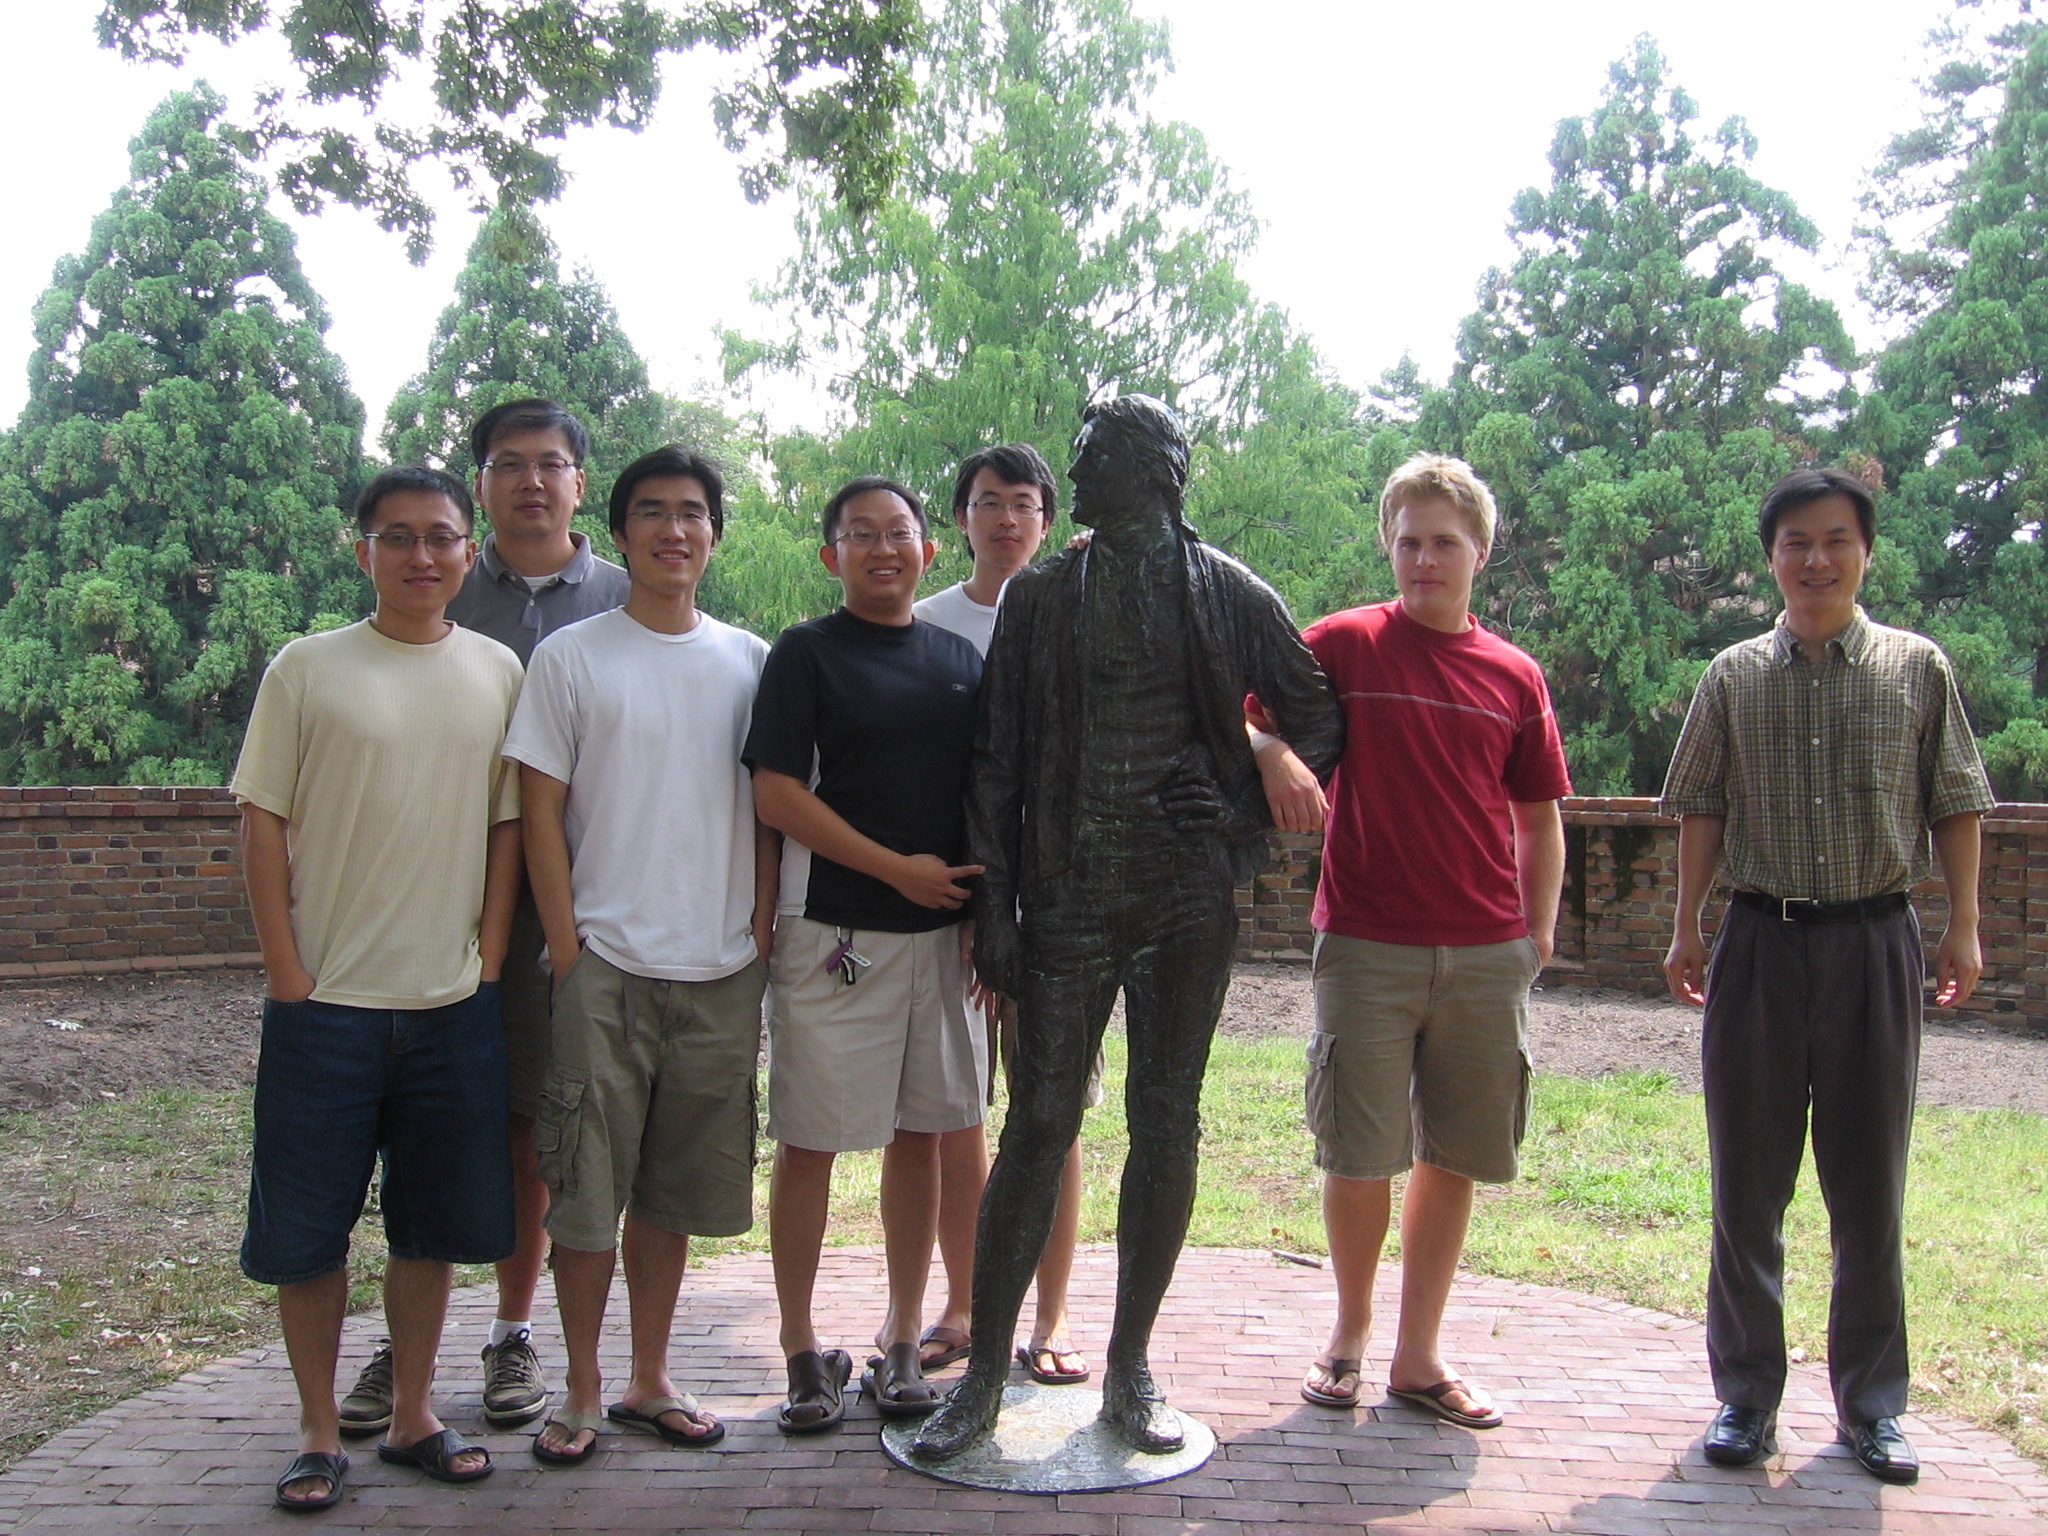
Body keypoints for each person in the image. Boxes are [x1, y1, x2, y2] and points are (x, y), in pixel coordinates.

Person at [912, 395, 1343, 1460]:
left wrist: (1240, 807)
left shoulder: (1229, 590)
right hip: (1065, 895)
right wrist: (995, 908)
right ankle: (982, 1379)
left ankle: (1130, 1369)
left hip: (1184, 897)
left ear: (1153, 471)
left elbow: (1321, 714)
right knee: (1036, 1128)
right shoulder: (1042, 596)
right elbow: (995, 763)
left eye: (1093, 457)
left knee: (1166, 1123)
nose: (1075, 476)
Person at [1660, 467, 1995, 1484]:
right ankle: (1745, 1396)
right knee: (1745, 1185)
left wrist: (1964, 925)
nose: (1816, 559)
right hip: (1758, 945)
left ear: (1865, 552)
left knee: (1869, 1189)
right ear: (1770, 557)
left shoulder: (1915, 668)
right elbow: (1700, 806)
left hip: (1875, 944)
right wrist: (1686, 924)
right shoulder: (1731, 676)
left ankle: (1872, 1409)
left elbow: (1955, 802)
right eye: (1795, 542)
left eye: (1835, 539)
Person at [232, 466, 523, 1510]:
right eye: (396, 537)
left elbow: (506, 827)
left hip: (451, 1004)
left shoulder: (496, 670)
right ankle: (319, 1431)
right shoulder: (306, 668)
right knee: (308, 1231)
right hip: (326, 1009)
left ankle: (412, 1415)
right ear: (363, 551)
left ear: (468, 550)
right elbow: (261, 820)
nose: (420, 556)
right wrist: (287, 971)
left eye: (440, 536)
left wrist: (489, 962)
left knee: (431, 1227)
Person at [1268, 454, 1569, 1429]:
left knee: (1453, 1156)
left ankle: (1418, 1354)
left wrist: (1535, 936)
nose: (1424, 559)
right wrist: (1270, 753)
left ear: (1479, 551)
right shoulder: (1343, 644)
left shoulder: (1514, 675)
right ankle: (1349, 1335)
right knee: (1358, 1154)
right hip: (1365, 943)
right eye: (1408, 541)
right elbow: (1236, 708)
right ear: (1387, 547)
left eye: (1444, 542)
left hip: (1485, 953)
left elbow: (1538, 817)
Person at [502, 446, 774, 1465]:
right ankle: (579, 1387)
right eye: (652, 512)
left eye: (693, 513)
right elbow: (538, 812)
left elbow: (769, 811)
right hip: (604, 969)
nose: (674, 529)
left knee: (671, 1196)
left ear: (714, 535)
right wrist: (568, 948)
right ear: (619, 534)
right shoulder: (571, 657)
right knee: (584, 1193)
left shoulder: (751, 661)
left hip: (719, 971)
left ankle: (648, 1378)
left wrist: (757, 932)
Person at [745, 477, 988, 1434]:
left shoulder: (960, 660)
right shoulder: (805, 654)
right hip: (833, 935)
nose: (883, 548)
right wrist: (898, 872)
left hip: (942, 942)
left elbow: (982, 793)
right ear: (830, 555)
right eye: (860, 534)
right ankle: (802, 1348)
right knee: (809, 1141)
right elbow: (777, 795)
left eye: (899, 533)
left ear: (930, 550)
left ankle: (900, 1337)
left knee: (921, 1135)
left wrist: (976, 916)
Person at [429, 397, 630, 1430]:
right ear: (481, 484)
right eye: (508, 463)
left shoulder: (631, 596)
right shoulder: (440, 588)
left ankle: (512, 1331)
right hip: (440, 901)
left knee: (538, 1124)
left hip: (580, 913)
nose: (532, 481)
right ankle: (406, 1341)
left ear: (579, 483)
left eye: (551, 463)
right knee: (431, 1119)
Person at [911, 443, 1096, 1387]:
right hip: (948, 908)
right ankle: (965, 1302)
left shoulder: (1083, 617)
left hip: (1059, 910)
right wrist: (974, 913)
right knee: (957, 1116)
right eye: (989, 501)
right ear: (962, 519)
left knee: (1050, 1116)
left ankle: (1052, 1312)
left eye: (1025, 503)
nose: (1007, 519)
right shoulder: (926, 625)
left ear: (1048, 522)